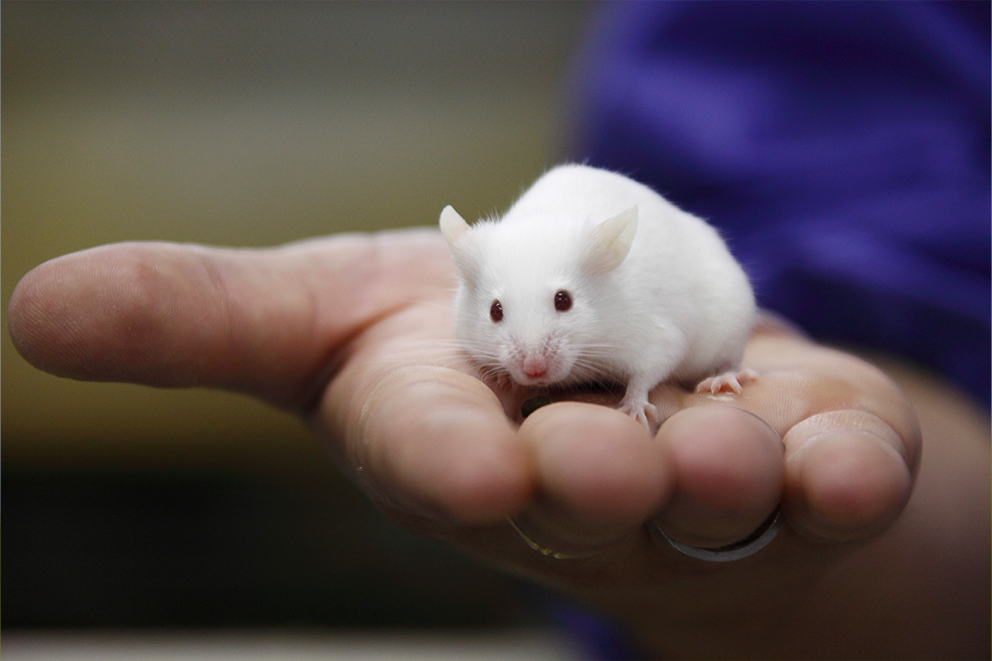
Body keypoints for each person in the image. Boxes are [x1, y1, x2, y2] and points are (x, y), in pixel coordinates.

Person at [7, 2, 989, 658]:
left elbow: (660, 328)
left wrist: (649, 390)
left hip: (755, 336)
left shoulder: (619, 275)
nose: (527, 353)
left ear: (584, 284)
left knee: (706, 317)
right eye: (496, 323)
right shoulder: (500, 278)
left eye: (555, 316)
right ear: (467, 288)